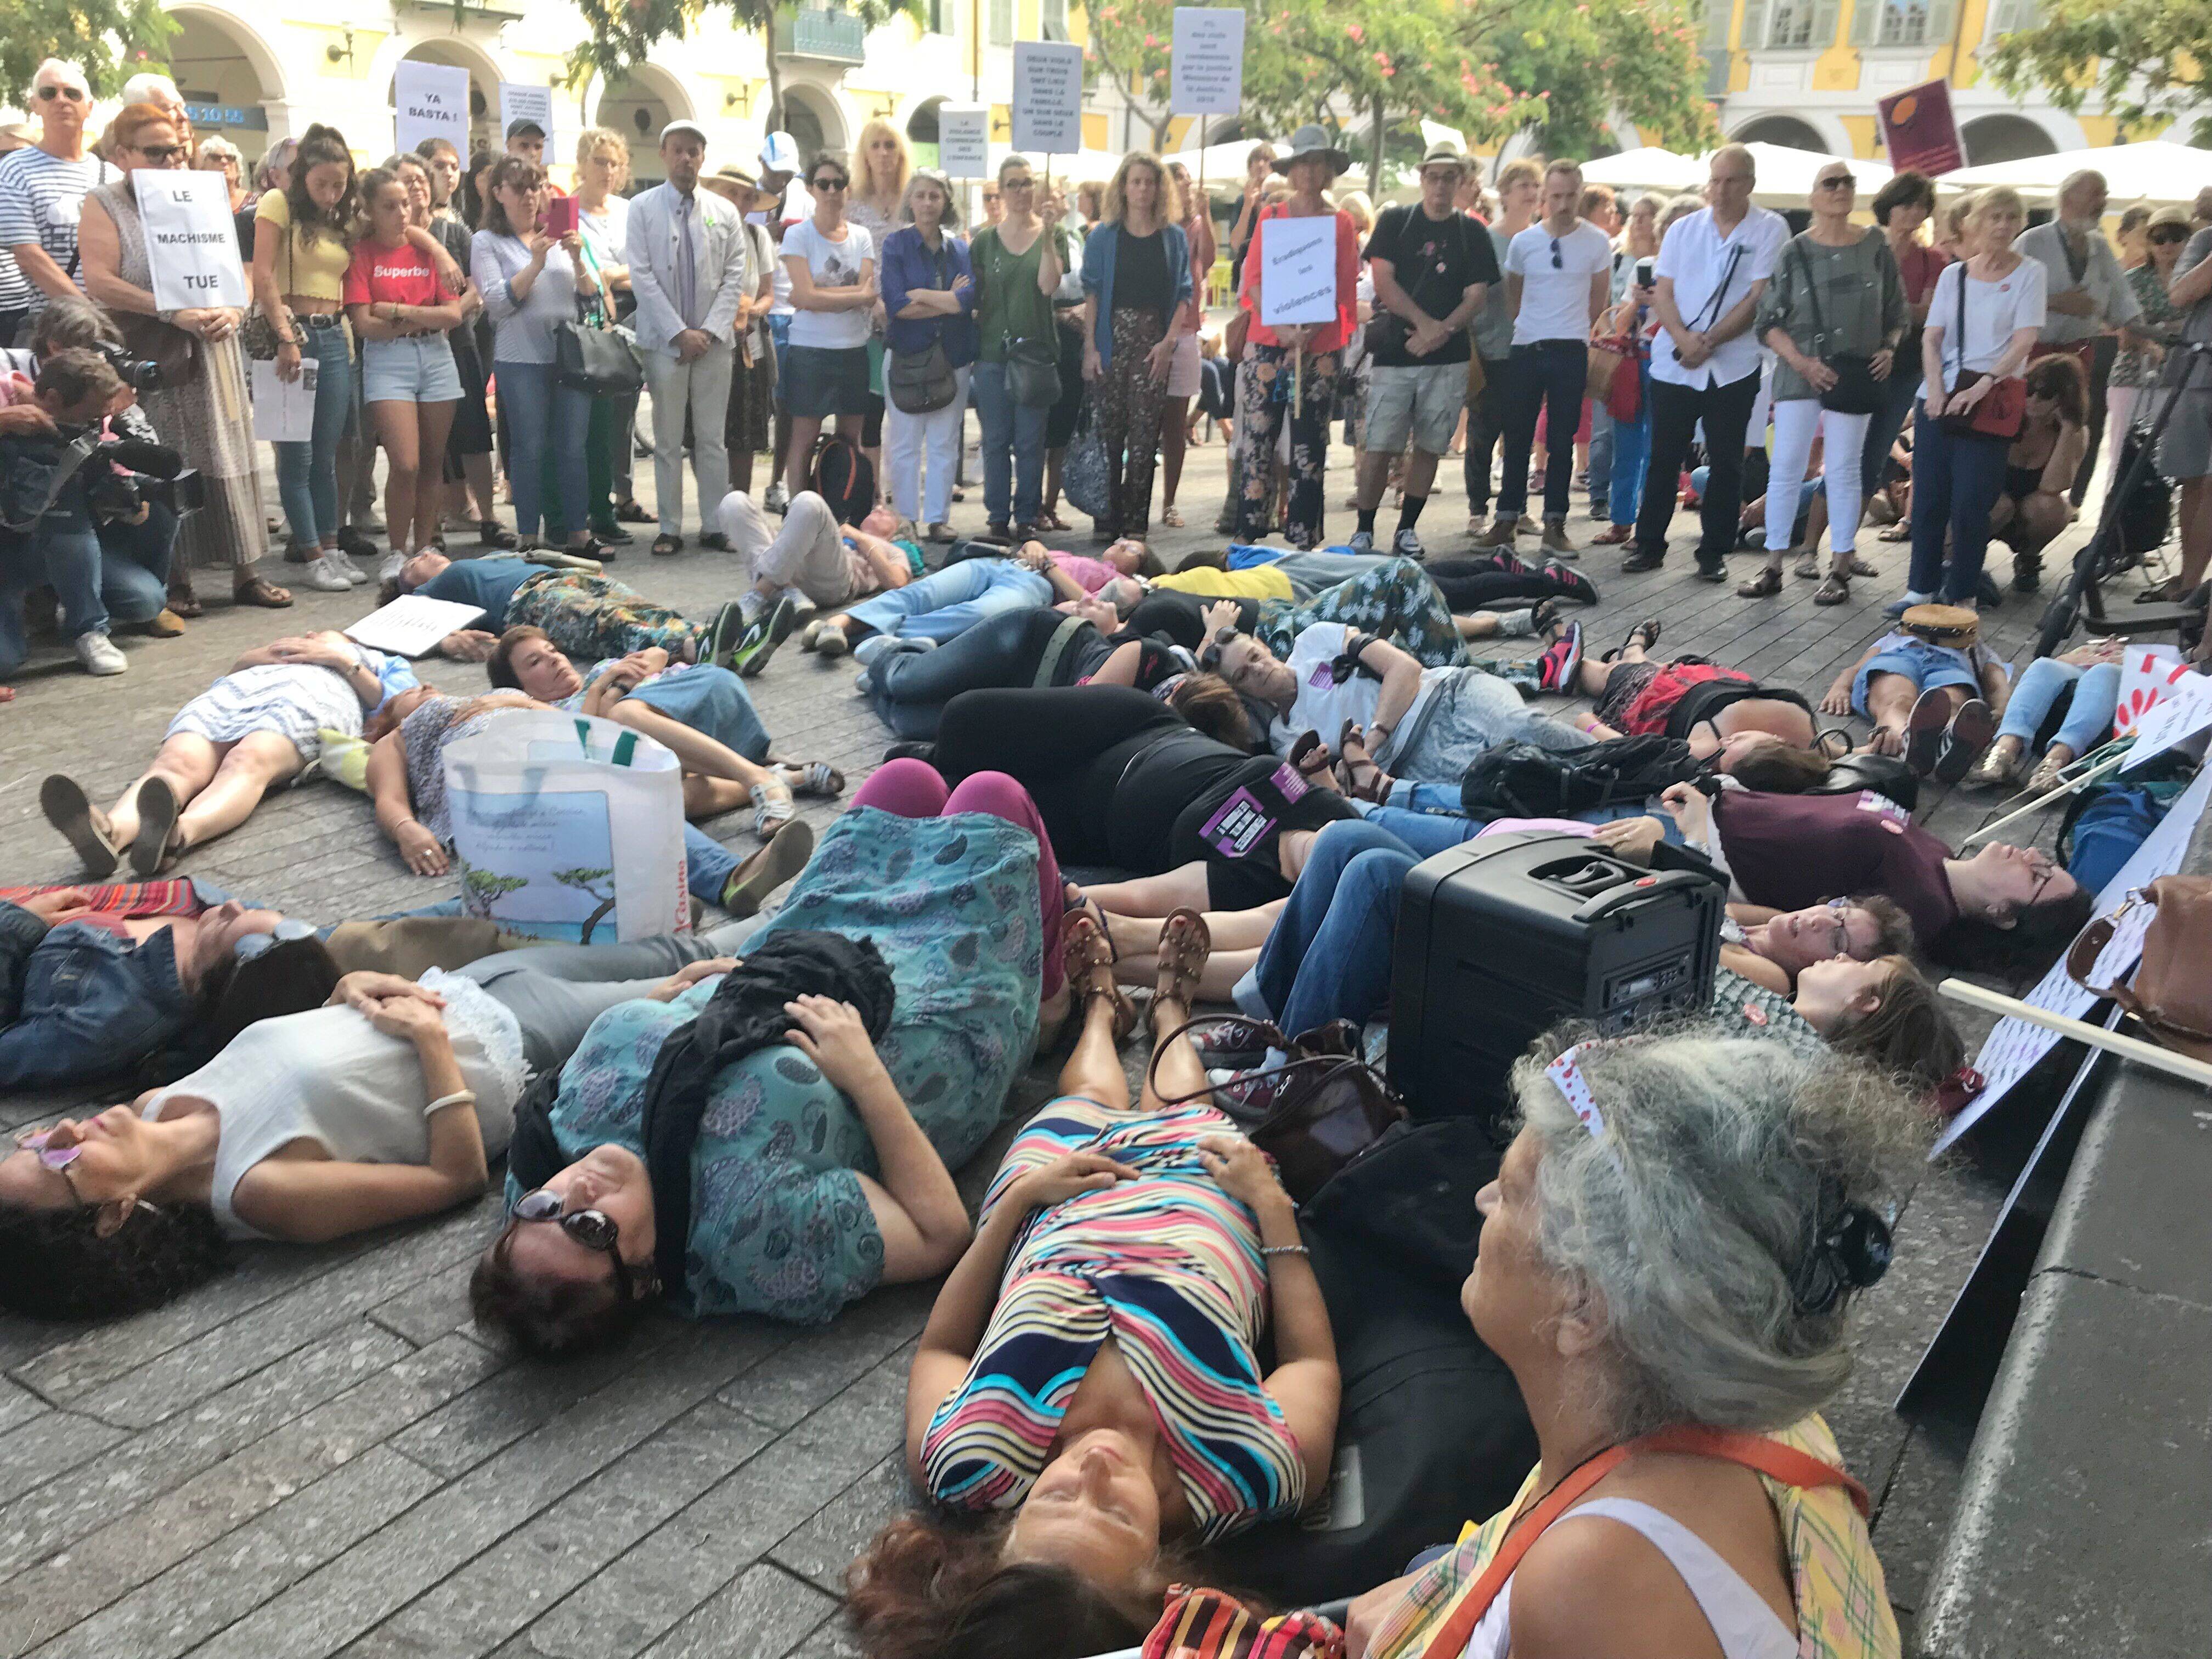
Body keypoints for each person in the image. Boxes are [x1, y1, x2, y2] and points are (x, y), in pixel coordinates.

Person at [1336, 1033, 1922, 1659]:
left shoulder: (1594, 1583)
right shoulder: (1761, 1410)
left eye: (1508, 1192)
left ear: (1583, 1305)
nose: (1483, 1200)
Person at [847, 907, 1337, 1651]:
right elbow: (1312, 1363)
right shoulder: (1247, 1471)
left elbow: (942, 1348)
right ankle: (1171, 1009)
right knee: (1185, 1103)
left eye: (1056, 1499)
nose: (1094, 1471)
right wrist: (1270, 1205)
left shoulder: (972, 1457)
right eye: (1116, 1513)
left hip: (1055, 1197)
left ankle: (1102, 1011)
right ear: (1161, 1569)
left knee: (1082, 1097)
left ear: (1006, 1533)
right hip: (1204, 1195)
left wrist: (1016, 1205)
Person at [466, 780, 1055, 1345]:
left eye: (544, 1207)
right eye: (591, 1228)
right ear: (643, 1278)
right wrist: (865, 1075)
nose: (578, 1190)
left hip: (794, 954)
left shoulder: (541, 1154)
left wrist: (660, 999)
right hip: (920, 1010)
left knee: (907, 782)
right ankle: (1051, 994)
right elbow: (938, 1235)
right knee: (993, 795)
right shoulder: (752, 1241)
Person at [0, 939, 788, 1321]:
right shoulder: (260, 1191)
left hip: (465, 985)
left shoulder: (153, 1105)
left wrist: (347, 989)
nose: (60, 1130)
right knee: (728, 965)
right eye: (58, 1159)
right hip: (519, 1044)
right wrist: (430, 1044)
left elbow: (310, 1062)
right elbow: (452, 1179)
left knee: (683, 947)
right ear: (111, 1217)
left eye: (33, 1140)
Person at [79, 103, 291, 611]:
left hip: (214, 347)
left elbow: (240, 268)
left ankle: (246, 571)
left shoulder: (202, 193)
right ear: (122, 154)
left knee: (229, 450)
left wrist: (235, 310)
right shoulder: (104, 203)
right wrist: (171, 311)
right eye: (156, 152)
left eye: (177, 150)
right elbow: (100, 280)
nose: (171, 161)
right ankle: (177, 577)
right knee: (168, 454)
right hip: (153, 351)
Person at [927, 684, 1359, 913]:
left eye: (1336, 866)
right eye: (1346, 847)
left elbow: (1140, 897)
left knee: (959, 797)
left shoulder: (1253, 884)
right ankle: (924, 754)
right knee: (964, 718)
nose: (1331, 848)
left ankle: (915, 765)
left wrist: (1057, 901)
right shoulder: (1327, 809)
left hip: (1088, 817)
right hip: (1142, 726)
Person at [38, 629, 416, 877]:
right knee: (176, 764)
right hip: (237, 693)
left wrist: (340, 659)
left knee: (248, 760)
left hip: (313, 700)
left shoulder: (380, 661)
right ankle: (111, 833)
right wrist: (250, 658)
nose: (314, 635)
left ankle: (178, 834)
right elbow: (228, 677)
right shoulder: (282, 646)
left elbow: (393, 705)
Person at [1656, 782, 2091, 970]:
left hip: (1686, 840)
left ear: (2003, 915)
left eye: (2037, 877)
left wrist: (1696, 844)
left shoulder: (1920, 910)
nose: (2032, 855)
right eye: (2045, 861)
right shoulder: (1938, 857)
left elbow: (1801, 932)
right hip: (1710, 797)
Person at [1739, 161, 1908, 607]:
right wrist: (1802, 362)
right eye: (1830, 183)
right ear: (1813, 196)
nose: (1840, 189)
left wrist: (1889, 348)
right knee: (1787, 467)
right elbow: (1767, 322)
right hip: (1800, 374)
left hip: (1854, 373)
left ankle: (1839, 568)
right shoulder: (1794, 251)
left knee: (1845, 469)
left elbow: (1898, 313)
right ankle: (1773, 565)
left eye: (1848, 182)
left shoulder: (1875, 245)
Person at [1624, 145, 1788, 580]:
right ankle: (1648, 545)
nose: (1721, 190)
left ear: (1750, 184)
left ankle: (1714, 553)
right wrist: (1682, 339)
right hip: (1675, 361)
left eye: (1731, 181)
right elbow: (1663, 290)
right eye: (1715, 180)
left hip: (1734, 363)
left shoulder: (1770, 228)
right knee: (1664, 457)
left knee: (1727, 461)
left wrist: (1710, 342)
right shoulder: (1683, 229)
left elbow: (1758, 297)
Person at [1207, 624, 1590, 795]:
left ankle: (1620, 760)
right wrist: (1343, 771)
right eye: (1244, 675)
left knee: (1524, 727)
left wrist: (1371, 742)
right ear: (1241, 691)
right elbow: (1329, 784)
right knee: (1504, 780)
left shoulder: (1314, 642)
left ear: (1263, 644)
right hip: (1415, 757)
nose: (1258, 669)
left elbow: (1405, 668)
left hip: (1448, 693)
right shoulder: (1286, 736)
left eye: (1254, 656)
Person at [1898, 187, 2045, 614]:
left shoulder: (2030, 273)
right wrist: (1935, 389)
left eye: (2011, 217)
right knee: (1928, 499)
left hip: (1991, 401)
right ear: (1975, 224)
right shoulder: (1955, 275)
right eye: (1994, 217)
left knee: (1971, 504)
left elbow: (2024, 341)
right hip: (1940, 396)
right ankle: (1919, 589)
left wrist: (1982, 387)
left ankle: (1962, 592)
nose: (2003, 225)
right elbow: (1932, 338)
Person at [0, 345, 180, 678]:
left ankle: (89, 629)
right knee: (5, 662)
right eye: (88, 417)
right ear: (52, 399)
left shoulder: (93, 421)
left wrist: (126, 495)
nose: (95, 424)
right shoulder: (7, 400)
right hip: (7, 551)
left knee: (140, 593)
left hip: (65, 544)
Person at [1353, 144, 1497, 560]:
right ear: (1421, 179)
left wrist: (1441, 331)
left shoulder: (1472, 232)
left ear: (1461, 182)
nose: (1440, 186)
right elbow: (1383, 281)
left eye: (1449, 177)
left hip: (1448, 359)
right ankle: (1364, 529)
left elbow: (1477, 296)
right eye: (1433, 177)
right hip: (1395, 355)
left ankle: (1407, 530)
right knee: (1379, 446)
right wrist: (1425, 324)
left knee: (1431, 447)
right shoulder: (1396, 221)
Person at [1475, 160, 1612, 561]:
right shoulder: (1524, 242)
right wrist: (1534, 325)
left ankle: (1555, 524)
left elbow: (1599, 301)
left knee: (1561, 440)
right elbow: (1514, 298)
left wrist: (1571, 328)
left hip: (1570, 349)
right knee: (1517, 436)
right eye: (1556, 196)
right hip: (1527, 347)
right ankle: (1506, 519)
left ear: (1580, 193)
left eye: (1571, 195)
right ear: (1544, 196)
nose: (1563, 204)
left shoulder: (1597, 241)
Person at [626, 120, 751, 556]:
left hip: (714, 344)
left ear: (703, 157)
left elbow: (735, 275)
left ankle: (715, 525)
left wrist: (709, 332)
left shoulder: (724, 211)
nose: (685, 158)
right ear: (663, 154)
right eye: (677, 149)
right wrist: (679, 333)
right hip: (666, 345)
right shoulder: (641, 208)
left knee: (712, 438)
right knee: (667, 439)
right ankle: (670, 527)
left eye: (693, 151)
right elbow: (641, 275)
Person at [472, 156, 606, 563]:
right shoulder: (487, 242)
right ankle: (529, 536)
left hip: (568, 358)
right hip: (521, 359)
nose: (530, 196)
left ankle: (578, 533)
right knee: (529, 447)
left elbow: (592, 298)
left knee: (573, 447)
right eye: (520, 188)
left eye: (536, 186)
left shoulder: (560, 234)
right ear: (499, 194)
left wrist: (578, 259)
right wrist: (535, 264)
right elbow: (497, 303)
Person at [1234, 127, 1359, 548]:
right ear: (1291, 170)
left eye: (1317, 163)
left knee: (1310, 444)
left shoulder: (1341, 223)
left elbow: (1342, 288)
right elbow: (1253, 280)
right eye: (1302, 163)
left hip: (1318, 349)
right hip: (1268, 344)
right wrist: (1282, 329)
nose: (1309, 171)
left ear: (1328, 171)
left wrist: (1306, 335)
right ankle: (1248, 532)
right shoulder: (1271, 216)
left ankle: (1305, 536)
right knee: (1258, 439)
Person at [251, 126, 363, 590]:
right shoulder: (277, 203)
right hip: (291, 333)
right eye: (322, 184)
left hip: (334, 336)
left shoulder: (340, 219)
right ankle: (311, 554)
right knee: (296, 455)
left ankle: (332, 549)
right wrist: (285, 336)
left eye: (339, 184)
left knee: (327, 454)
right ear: (303, 177)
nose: (331, 193)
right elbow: (263, 275)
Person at [346, 163, 466, 569]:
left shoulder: (428, 250)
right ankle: (397, 551)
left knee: (433, 461)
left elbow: (452, 315)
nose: (402, 213)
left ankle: (424, 546)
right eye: (389, 206)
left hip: (435, 355)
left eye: (405, 204)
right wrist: (420, 317)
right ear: (369, 210)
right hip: (388, 361)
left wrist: (397, 311)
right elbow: (365, 325)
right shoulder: (362, 253)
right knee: (405, 463)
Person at [861, 595, 1187, 740]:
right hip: (1033, 642)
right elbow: (1072, 718)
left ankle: (882, 679)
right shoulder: (1153, 659)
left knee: (907, 721)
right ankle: (895, 655)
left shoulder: (1171, 731)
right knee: (907, 682)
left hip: (1027, 697)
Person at [1081, 152, 1194, 540]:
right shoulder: (1103, 236)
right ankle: (1106, 516)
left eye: (1150, 182)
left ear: (1160, 188)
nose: (1143, 189)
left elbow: (1184, 293)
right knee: (1110, 432)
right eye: (1136, 182)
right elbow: (1092, 294)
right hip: (1111, 338)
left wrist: (1168, 343)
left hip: (1154, 343)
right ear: (1124, 187)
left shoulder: (1173, 237)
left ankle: (1135, 522)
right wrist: (1090, 348)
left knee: (1145, 435)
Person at [2015, 169, 2142, 512]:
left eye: (2105, 194)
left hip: (2080, 355)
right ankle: (2013, 494)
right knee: (2025, 425)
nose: (2103, 202)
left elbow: (2123, 300)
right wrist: (2055, 302)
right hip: (2033, 354)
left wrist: (2144, 334)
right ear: (2068, 198)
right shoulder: (2033, 241)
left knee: (2077, 427)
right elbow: (2005, 294)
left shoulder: (2100, 246)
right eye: (2096, 194)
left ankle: (2067, 501)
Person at [382, 547, 710, 665]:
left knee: (640, 608)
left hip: (563, 578)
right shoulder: (428, 592)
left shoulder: (484, 559)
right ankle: (691, 647)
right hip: (527, 602)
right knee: (605, 622)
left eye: (422, 552)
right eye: (413, 564)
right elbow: (391, 625)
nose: (425, 554)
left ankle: (706, 634)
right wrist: (446, 640)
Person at [968, 157, 1069, 539]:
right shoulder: (985, 241)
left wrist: (1048, 233)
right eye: (1013, 184)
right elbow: (974, 295)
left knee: (1030, 442)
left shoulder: (1053, 234)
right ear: (1001, 190)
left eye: (1027, 183)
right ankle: (997, 516)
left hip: (1035, 354)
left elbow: (1048, 285)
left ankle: (1026, 515)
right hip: (992, 353)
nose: (1021, 191)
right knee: (995, 440)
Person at [780, 151, 879, 505]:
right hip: (810, 351)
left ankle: (842, 511)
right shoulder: (798, 236)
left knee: (851, 440)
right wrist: (850, 296)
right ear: (810, 189)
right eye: (823, 184)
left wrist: (817, 296)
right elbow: (805, 295)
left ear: (848, 189)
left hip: (853, 349)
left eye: (839, 184)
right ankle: (799, 512)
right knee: (804, 438)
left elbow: (867, 294)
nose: (832, 191)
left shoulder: (862, 236)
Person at [880, 169, 974, 543]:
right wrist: (945, 300)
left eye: (935, 196)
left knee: (944, 441)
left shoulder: (960, 249)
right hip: (906, 355)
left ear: (946, 201)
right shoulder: (896, 245)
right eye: (920, 195)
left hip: (952, 357)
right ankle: (906, 519)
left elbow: (966, 302)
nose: (928, 203)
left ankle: (938, 519)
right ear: (910, 200)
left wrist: (920, 294)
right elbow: (896, 305)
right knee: (904, 443)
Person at [1824, 604, 2009, 781]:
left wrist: (2000, 711)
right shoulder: (1893, 638)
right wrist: (1841, 687)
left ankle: (1948, 737)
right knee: (1897, 701)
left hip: (1951, 665)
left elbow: (1998, 686)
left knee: (1949, 705)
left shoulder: (1977, 649)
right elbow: (1856, 668)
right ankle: (1908, 737)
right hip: (1901, 657)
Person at [0, 60, 112, 348]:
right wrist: (91, 317)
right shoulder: (15, 169)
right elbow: (29, 256)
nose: (61, 100)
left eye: (72, 93)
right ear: (35, 105)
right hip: (54, 331)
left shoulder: (113, 175)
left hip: (113, 325)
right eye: (49, 93)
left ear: (89, 106)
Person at [716, 489, 913, 644]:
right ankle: (789, 591)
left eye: (887, 513)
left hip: (834, 583)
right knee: (734, 502)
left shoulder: (893, 550)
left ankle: (759, 594)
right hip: (791, 569)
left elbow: (896, 582)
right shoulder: (838, 533)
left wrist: (861, 539)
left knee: (810, 502)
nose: (880, 508)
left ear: (894, 533)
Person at [1464, 158, 1541, 539]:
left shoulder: (1542, 239)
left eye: (1535, 186)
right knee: (1483, 432)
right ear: (1505, 194)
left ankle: (1516, 509)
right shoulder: (1486, 238)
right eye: (1523, 185)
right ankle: (1478, 510)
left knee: (1521, 435)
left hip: (1530, 349)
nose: (1531, 192)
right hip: (1490, 346)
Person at [1864, 171, 1948, 517]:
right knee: (1846, 454)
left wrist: (1879, 308)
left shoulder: (1932, 259)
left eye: (1921, 206)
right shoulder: (1862, 249)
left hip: (1905, 366)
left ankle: (1845, 541)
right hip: (1858, 362)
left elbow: (1928, 314)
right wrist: (1901, 308)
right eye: (1907, 204)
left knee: (1876, 452)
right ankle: (1816, 537)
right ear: (1889, 206)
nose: (1914, 212)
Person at [572, 126, 640, 548]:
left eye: (616, 164)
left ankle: (624, 494)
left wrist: (614, 274)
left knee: (626, 413)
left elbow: (647, 267)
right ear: (582, 163)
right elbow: (583, 272)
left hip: (634, 312)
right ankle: (593, 504)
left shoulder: (629, 211)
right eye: (600, 162)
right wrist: (612, 277)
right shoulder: (570, 212)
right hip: (591, 317)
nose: (608, 171)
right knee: (593, 417)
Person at [700, 162, 781, 502]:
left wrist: (751, 313)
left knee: (745, 433)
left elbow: (768, 294)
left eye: (747, 197)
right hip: (706, 341)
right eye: (731, 193)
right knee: (705, 430)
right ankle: (713, 503)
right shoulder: (701, 231)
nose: (739, 201)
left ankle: (741, 507)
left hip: (748, 345)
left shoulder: (757, 236)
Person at [1589, 192, 1664, 547]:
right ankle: (1621, 521)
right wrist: (1638, 300)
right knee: (1626, 445)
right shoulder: (1644, 264)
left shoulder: (1697, 270)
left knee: (1656, 450)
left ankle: (1648, 525)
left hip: (1671, 366)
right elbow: (1620, 325)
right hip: (1635, 363)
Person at [2104, 206, 2188, 498]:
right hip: (2133, 377)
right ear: (2149, 242)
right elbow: (2124, 332)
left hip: (2182, 379)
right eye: (2159, 238)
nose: (2167, 245)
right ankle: (2116, 520)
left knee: (2171, 461)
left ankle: (2158, 517)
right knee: (2123, 456)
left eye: (2176, 237)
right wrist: (2158, 339)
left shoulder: (2196, 280)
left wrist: (2151, 329)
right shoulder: (2134, 279)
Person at [2152, 200, 2212, 605]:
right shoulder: (2204, 240)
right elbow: (2179, 295)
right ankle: (2189, 581)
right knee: (2191, 479)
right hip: (2198, 373)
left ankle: (2193, 587)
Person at [848, 119, 912, 493]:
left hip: (910, 319)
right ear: (865, 154)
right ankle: (873, 495)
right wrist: (873, 302)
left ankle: (900, 495)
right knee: (871, 413)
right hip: (866, 320)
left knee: (904, 415)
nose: (884, 153)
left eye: (891, 145)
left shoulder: (914, 199)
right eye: (876, 146)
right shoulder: (853, 204)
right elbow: (846, 262)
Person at [1988, 352, 2089, 592]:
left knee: (2053, 508)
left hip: (2030, 511)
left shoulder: (2074, 433)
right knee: (1999, 505)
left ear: (2063, 400)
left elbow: (2053, 487)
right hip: (1992, 498)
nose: (2033, 399)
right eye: (2029, 390)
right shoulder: (2005, 416)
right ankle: (1965, 561)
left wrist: (2067, 430)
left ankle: (2029, 558)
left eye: (2045, 394)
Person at [1159, 158, 1215, 531]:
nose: (1186, 185)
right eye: (1179, 179)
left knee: (1176, 422)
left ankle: (1169, 503)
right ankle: (1133, 501)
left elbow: (1207, 260)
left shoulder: (1195, 225)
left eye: (1189, 180)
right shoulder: (1155, 225)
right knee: (1143, 422)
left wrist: (1206, 214)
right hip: (1152, 330)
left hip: (1185, 332)